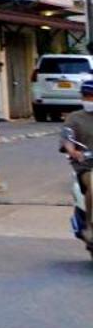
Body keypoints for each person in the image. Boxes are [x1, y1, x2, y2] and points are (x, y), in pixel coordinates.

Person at [61, 79, 93, 241]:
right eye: (86, 96)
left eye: (92, 96)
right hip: (86, 166)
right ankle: (89, 226)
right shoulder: (74, 117)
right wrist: (72, 150)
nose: (89, 99)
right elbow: (67, 137)